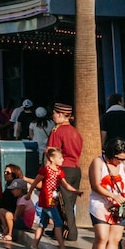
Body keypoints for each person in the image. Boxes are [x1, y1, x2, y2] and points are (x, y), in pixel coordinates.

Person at [27, 146, 82, 249]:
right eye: (60, 158)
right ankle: (62, 248)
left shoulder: (59, 172)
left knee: (42, 223)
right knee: (58, 222)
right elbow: (35, 182)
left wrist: (75, 191)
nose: (62, 160)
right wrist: (29, 194)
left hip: (53, 200)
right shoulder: (46, 170)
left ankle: (35, 245)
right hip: (47, 200)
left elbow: (65, 184)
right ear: (52, 159)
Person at [88, 137, 125, 249]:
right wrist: (112, 196)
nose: (120, 161)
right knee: (101, 237)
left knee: (114, 239)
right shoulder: (98, 162)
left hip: (119, 206)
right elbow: (96, 185)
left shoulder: (123, 165)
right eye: (118, 158)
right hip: (100, 204)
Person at [47, 102, 84, 241]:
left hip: (63, 170)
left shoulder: (57, 131)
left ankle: (70, 233)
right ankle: (59, 228)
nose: (53, 115)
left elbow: (51, 153)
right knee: (69, 202)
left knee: (63, 203)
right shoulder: (75, 132)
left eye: (55, 113)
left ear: (61, 115)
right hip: (75, 169)